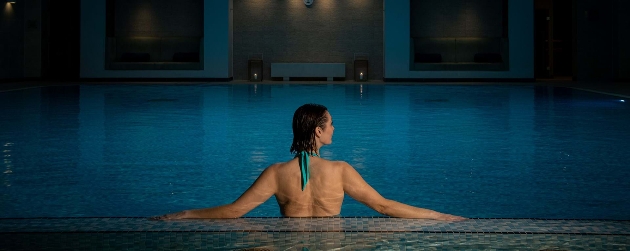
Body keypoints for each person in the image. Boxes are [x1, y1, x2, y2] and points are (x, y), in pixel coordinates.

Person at [152, 104, 466, 221]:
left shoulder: (276, 173)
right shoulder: (340, 170)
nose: (334, 129)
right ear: (318, 131)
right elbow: (383, 207)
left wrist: (188, 213)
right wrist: (439, 216)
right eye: (330, 125)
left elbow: (234, 212)